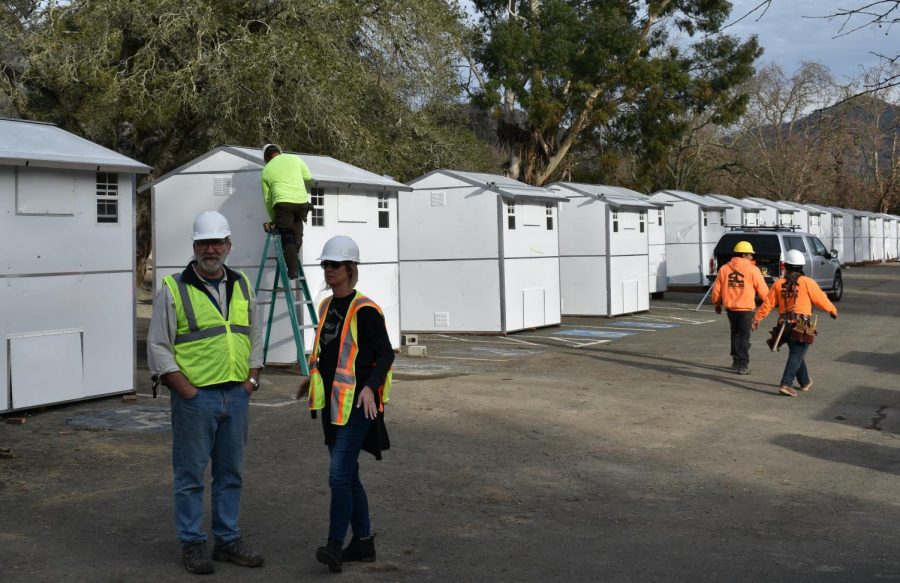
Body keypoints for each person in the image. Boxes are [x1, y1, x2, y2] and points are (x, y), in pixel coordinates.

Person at [148, 210, 265, 574]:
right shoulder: (173, 289)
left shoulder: (243, 284)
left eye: (217, 242)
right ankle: (193, 544)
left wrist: (251, 381)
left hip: (237, 395)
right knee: (190, 478)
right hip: (197, 399)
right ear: (194, 247)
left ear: (229, 245)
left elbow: (255, 336)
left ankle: (228, 541)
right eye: (204, 243)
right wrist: (185, 390)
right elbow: (158, 347)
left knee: (231, 474)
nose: (210, 249)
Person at [296, 235, 394, 574]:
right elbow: (331, 354)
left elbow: (385, 353)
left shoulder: (364, 309)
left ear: (350, 269)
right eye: (325, 264)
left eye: (334, 265)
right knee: (349, 476)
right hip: (333, 407)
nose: (328, 270)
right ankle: (364, 542)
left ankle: (335, 544)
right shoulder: (326, 307)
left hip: (357, 407)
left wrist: (371, 387)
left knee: (338, 475)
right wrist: (313, 379)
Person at [752, 249, 838, 397]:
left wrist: (757, 318)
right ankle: (786, 383)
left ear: (785, 266)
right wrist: (832, 310)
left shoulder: (779, 284)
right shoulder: (808, 282)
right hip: (802, 325)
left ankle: (804, 382)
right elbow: (821, 299)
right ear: (801, 266)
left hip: (783, 325)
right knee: (797, 353)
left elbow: (768, 304)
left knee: (796, 353)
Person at [711, 241, 769, 375]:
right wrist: (769, 302)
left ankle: (736, 361)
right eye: (750, 255)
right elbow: (763, 290)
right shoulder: (752, 270)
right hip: (746, 310)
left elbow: (717, 289)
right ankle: (742, 365)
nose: (751, 258)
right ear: (744, 254)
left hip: (731, 309)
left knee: (735, 334)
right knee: (743, 337)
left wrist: (717, 303)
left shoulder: (724, 269)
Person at [260, 143, 314, 279]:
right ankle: (293, 257)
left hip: (283, 204)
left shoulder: (266, 170)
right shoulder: (295, 159)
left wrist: (274, 218)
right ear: (280, 152)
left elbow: (267, 199)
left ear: (266, 158)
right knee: (297, 234)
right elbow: (308, 177)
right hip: (301, 202)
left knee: (287, 237)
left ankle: (292, 269)